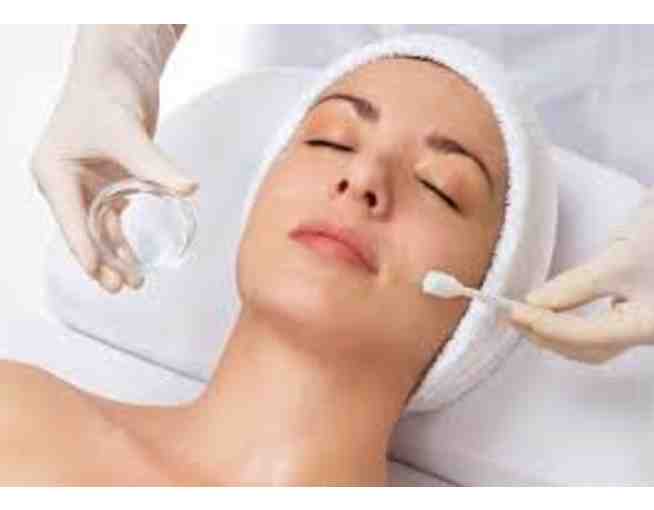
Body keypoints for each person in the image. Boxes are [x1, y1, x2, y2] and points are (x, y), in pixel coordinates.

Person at [5, 51, 506, 485]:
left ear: (484, 303)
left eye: (439, 185)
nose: (362, 178)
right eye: (330, 140)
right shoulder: (18, 417)